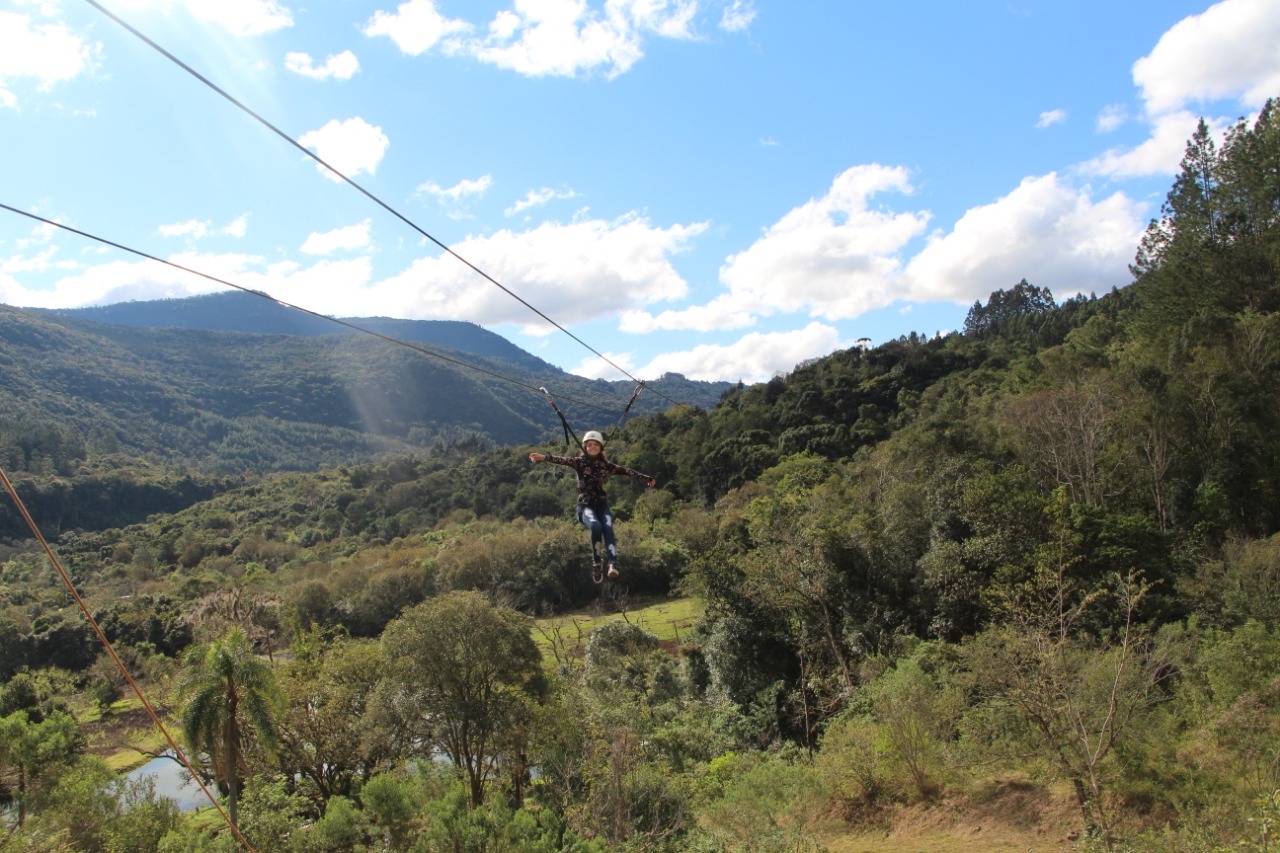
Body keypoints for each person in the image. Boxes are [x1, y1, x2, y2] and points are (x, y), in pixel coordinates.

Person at [529, 430, 656, 583]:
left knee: (607, 527)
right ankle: (596, 563)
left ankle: (613, 563)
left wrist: (646, 478)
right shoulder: (579, 462)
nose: (593, 447)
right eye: (589, 445)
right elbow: (561, 460)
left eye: (596, 444)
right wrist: (543, 457)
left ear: (601, 447)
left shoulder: (606, 466)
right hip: (585, 505)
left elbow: (627, 471)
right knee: (596, 526)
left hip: (601, 504)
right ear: (585, 447)